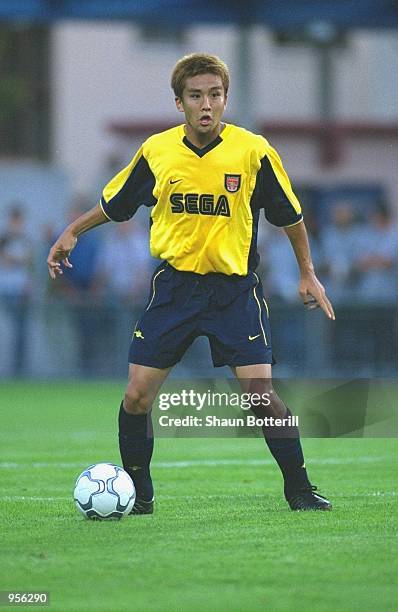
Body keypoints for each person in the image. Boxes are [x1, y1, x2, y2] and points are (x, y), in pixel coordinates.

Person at [47, 53, 335, 513]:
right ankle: (139, 497)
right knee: (137, 395)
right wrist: (72, 231)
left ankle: (299, 490)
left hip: (234, 291)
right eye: (196, 95)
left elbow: (291, 215)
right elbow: (116, 204)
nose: (207, 104)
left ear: (226, 98)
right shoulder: (157, 151)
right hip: (175, 289)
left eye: (215, 95)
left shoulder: (252, 151)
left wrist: (307, 273)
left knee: (261, 395)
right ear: (179, 102)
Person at [0, 205, 33, 376]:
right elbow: (6, 261)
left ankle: (19, 370)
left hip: (20, 292)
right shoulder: (3, 240)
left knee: (21, 332)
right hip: (5, 291)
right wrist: (18, 260)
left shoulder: (26, 240)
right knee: (7, 331)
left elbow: (29, 263)